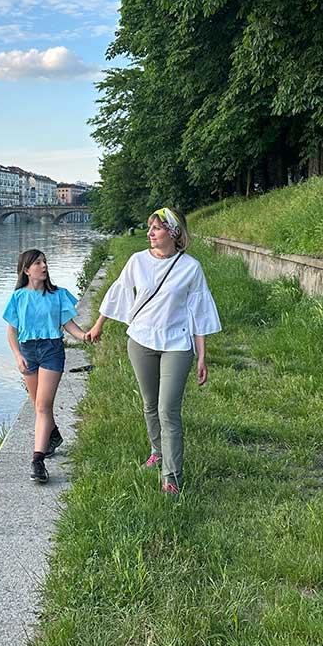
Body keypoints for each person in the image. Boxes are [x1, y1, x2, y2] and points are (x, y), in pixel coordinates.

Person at [88, 207, 221, 495]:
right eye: (150, 228)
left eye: (157, 228)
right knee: (150, 404)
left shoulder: (190, 268)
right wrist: (99, 325)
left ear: (173, 233)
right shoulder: (137, 261)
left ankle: (171, 478)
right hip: (141, 341)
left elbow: (199, 312)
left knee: (167, 410)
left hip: (177, 344)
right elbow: (119, 290)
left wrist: (202, 356)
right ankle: (157, 452)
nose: (149, 233)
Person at [3, 248, 90, 484]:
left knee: (43, 405)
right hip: (28, 352)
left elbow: (68, 325)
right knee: (38, 405)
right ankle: (54, 436)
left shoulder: (58, 295)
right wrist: (17, 356)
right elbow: (11, 331)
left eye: (45, 262)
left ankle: (38, 461)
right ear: (26, 270)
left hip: (51, 350)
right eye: (38, 263)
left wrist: (84, 336)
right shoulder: (18, 297)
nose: (44, 266)